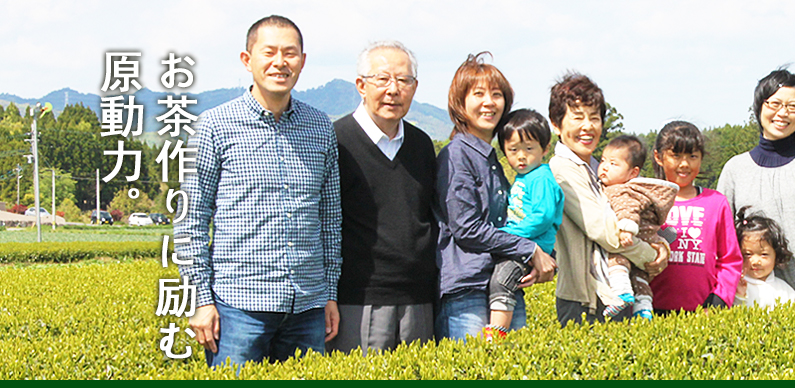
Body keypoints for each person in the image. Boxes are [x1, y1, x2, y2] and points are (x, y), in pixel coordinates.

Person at [175, 15, 341, 368]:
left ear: (303, 61)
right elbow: (189, 222)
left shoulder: (320, 127)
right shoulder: (214, 126)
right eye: (269, 52)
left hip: (308, 307)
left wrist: (329, 294)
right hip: (238, 308)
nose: (280, 62)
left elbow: (330, 220)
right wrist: (200, 301)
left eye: (290, 53)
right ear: (247, 60)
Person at [435, 53, 555, 341]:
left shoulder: (493, 159)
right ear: (460, 103)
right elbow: (466, 228)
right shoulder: (457, 155)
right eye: (478, 94)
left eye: (497, 94)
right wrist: (529, 250)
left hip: (503, 284)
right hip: (469, 289)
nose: (489, 102)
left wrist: (544, 257)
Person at [328, 40, 438, 354]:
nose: (393, 89)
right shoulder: (337, 141)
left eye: (403, 80)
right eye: (383, 79)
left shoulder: (421, 144)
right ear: (361, 85)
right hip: (358, 299)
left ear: (414, 88)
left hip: (419, 298)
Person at [547, 72, 669, 326]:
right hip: (583, 299)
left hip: (611, 292)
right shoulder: (562, 168)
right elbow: (604, 231)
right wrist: (650, 256)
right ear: (556, 125)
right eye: (578, 117)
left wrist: (661, 245)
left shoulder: (598, 168)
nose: (588, 126)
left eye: (594, 117)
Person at [716, 68, 795, 300]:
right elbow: (721, 235)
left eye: (792, 107)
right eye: (774, 104)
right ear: (759, 107)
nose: (783, 113)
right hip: (746, 293)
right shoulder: (735, 169)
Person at [648, 121, 742, 314]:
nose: (684, 164)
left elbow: (730, 260)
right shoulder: (646, 201)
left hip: (703, 312)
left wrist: (718, 301)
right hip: (650, 310)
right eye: (675, 155)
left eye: (692, 156)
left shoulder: (716, 202)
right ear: (659, 157)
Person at [486, 109, 563, 340]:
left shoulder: (541, 178)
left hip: (530, 244)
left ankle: (497, 336)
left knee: (503, 280)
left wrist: (508, 234)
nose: (521, 157)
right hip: (522, 243)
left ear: (545, 149)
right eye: (513, 150)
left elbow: (542, 217)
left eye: (529, 149)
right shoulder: (525, 177)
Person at [596, 135, 678, 320]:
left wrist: (627, 228)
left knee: (616, 259)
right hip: (649, 238)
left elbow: (627, 209)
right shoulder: (631, 188)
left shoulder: (621, 189)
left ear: (633, 173)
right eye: (603, 161)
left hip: (634, 235)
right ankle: (643, 308)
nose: (605, 167)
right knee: (640, 277)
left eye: (614, 164)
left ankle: (621, 294)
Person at [733, 206, 795, 310]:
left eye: (764, 254)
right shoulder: (736, 286)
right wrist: (740, 297)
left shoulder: (785, 291)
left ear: (776, 255)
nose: (755, 261)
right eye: (748, 254)